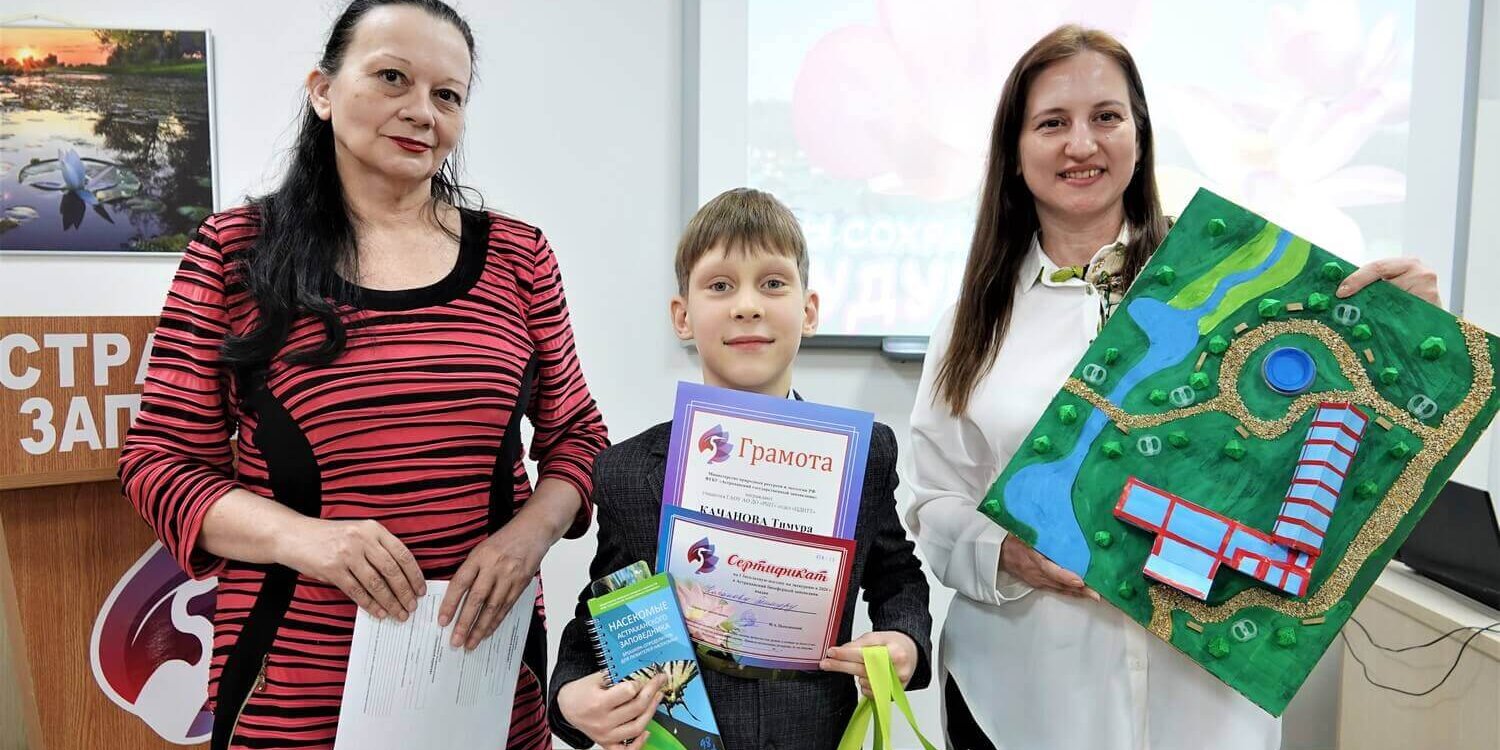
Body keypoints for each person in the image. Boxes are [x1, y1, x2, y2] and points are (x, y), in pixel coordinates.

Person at [906, 24, 1441, 750]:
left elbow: (1347, 450)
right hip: (1021, 696)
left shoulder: (1245, 286)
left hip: (1206, 705)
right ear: (1015, 149)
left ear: (1140, 134)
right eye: (1052, 122)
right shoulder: (972, 323)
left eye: (1106, 116)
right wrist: (1002, 552)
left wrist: (1410, 330)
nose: (1082, 144)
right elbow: (933, 500)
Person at [117, 2, 608, 748]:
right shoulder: (235, 252)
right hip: (293, 688)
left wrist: (529, 538)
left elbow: (578, 436)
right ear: (323, 90)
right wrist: (307, 540)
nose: (422, 112)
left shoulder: (519, 256)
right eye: (391, 78)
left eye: (448, 95)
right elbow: (158, 463)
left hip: (483, 679)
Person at [547, 188, 933, 750]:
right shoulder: (626, 471)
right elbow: (604, 608)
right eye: (720, 286)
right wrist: (568, 697)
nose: (747, 305)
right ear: (682, 316)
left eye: (773, 283)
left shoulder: (864, 454)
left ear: (809, 310)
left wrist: (904, 640)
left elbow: (897, 574)